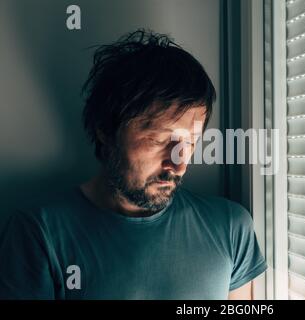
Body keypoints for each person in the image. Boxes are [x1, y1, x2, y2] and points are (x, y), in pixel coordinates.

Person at [0, 29, 267, 299]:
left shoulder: (231, 228)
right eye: (159, 139)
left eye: (190, 143)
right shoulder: (38, 234)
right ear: (106, 129)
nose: (178, 164)